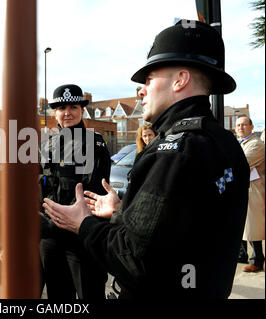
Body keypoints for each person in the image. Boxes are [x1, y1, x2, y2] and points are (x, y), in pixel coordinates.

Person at [42, 20, 250, 299]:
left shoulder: (174, 152)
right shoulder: (224, 142)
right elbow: (176, 228)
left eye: (149, 79)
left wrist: (84, 224)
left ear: (180, 80)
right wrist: (121, 211)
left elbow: (136, 260)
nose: (142, 90)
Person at [40, 84, 111, 299]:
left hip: (81, 237)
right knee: (58, 297)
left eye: (73, 107)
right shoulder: (47, 144)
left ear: (82, 110)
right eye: (61, 108)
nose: (67, 112)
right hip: (52, 236)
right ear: (55, 112)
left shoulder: (95, 144)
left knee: (90, 293)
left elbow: (94, 192)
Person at [235, 115, 265, 272]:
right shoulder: (239, 143)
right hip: (240, 187)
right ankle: (242, 255)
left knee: (253, 225)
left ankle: (257, 260)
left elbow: (241, 163)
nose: (240, 127)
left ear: (252, 127)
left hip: (253, 188)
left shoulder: (257, 144)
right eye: (238, 125)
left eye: (244, 125)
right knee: (240, 222)